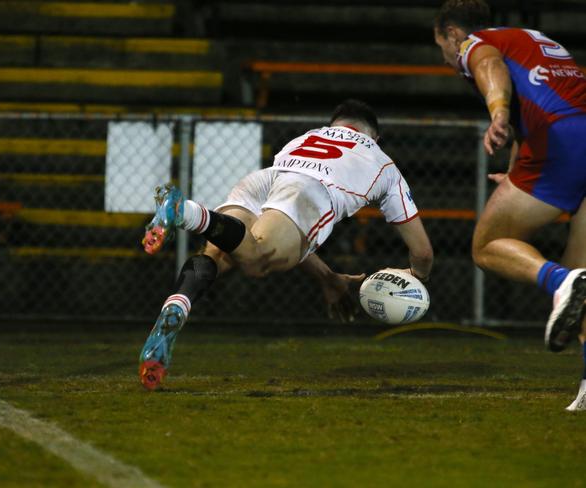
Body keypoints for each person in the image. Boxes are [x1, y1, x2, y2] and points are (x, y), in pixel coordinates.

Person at [138, 99, 434, 390]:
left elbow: (288, 231)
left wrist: (328, 277)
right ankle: (187, 212)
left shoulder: (307, 137)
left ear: (335, 126)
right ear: (374, 136)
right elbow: (422, 253)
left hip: (266, 179)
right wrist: (413, 281)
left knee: (218, 253)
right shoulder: (382, 161)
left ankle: (175, 308)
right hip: (309, 191)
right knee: (257, 260)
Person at [434, 0, 586, 409]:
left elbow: (487, 66)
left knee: (487, 246)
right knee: (584, 276)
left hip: (564, 142)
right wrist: (516, 174)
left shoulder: (474, 43)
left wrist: (497, 111)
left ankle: (559, 282)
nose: (448, 57)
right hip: (567, 140)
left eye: (443, 47)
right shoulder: (534, 41)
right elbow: (537, 110)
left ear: (451, 34)